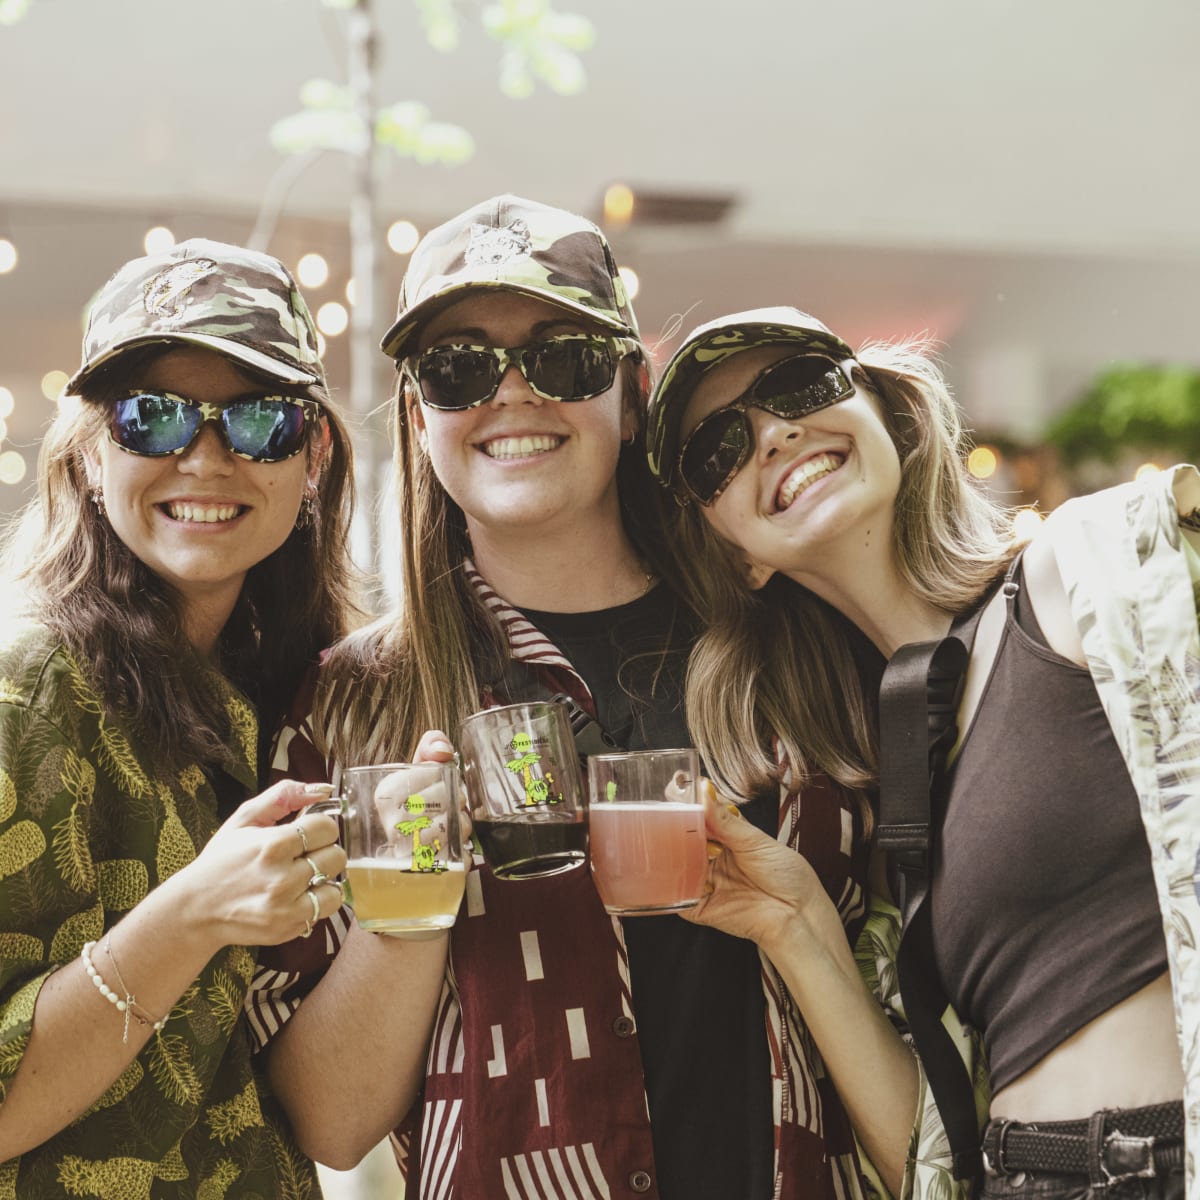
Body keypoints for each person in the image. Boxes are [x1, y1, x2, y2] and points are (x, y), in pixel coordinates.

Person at [257, 197, 883, 1200]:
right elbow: (332, 1125)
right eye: (460, 368)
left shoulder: (790, 647)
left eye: (565, 359)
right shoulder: (351, 707)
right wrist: (411, 897)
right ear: (420, 417)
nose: (512, 395)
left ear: (631, 394)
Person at [645, 305, 1195, 1200]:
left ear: (885, 413)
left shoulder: (1080, 571)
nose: (775, 434)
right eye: (719, 451)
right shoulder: (886, 771)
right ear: (737, 554)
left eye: (799, 387)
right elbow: (927, 1158)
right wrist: (791, 922)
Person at [0, 238, 359, 1195]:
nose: (205, 458)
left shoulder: (288, 690)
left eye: (259, 421)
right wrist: (194, 913)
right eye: (152, 418)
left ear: (313, 452)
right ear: (89, 451)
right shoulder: (27, 689)